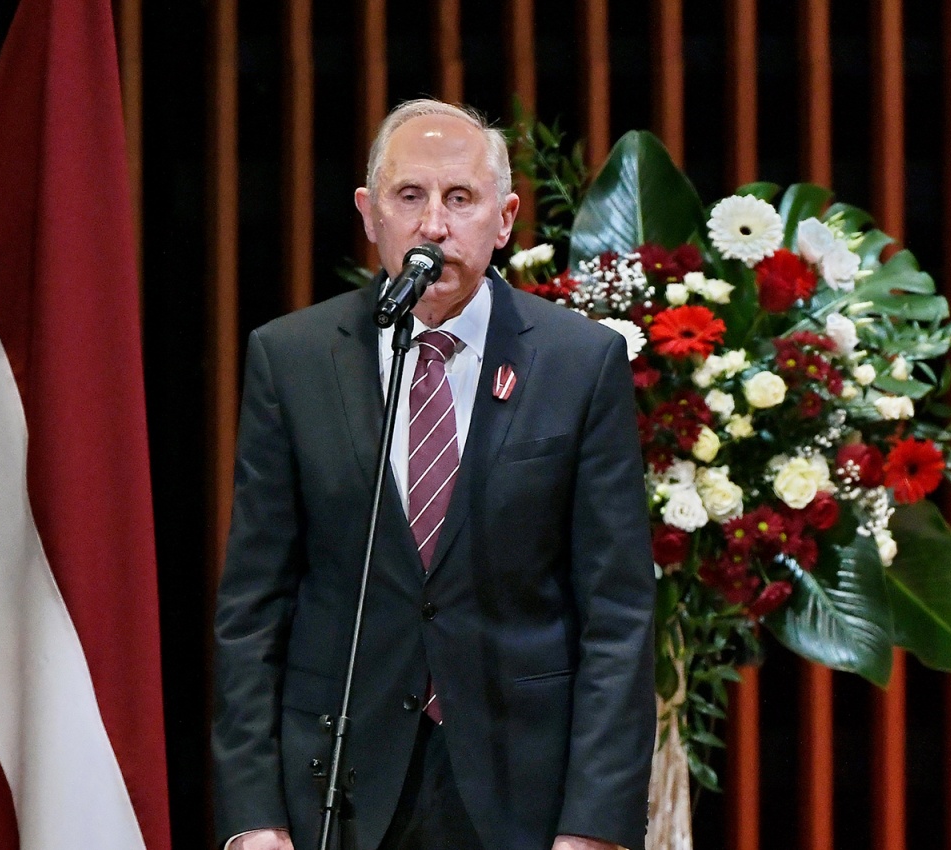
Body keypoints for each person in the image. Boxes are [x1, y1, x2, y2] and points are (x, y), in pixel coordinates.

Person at [212, 99, 656, 850]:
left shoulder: (579, 362)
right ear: (369, 213)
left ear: (504, 219)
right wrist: (254, 816)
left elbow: (618, 613)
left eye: (460, 198)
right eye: (410, 196)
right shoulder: (292, 360)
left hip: (521, 790)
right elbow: (254, 605)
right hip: (340, 785)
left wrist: (595, 826)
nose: (433, 226)